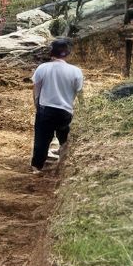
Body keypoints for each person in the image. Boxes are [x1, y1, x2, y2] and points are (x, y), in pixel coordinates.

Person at [31, 38, 84, 172]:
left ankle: (36, 167)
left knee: (41, 140)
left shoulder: (42, 68)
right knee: (64, 140)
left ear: (51, 53)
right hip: (65, 112)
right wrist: (82, 109)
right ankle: (64, 166)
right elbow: (80, 94)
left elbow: (36, 90)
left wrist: (37, 106)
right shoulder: (76, 71)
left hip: (45, 110)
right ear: (67, 54)